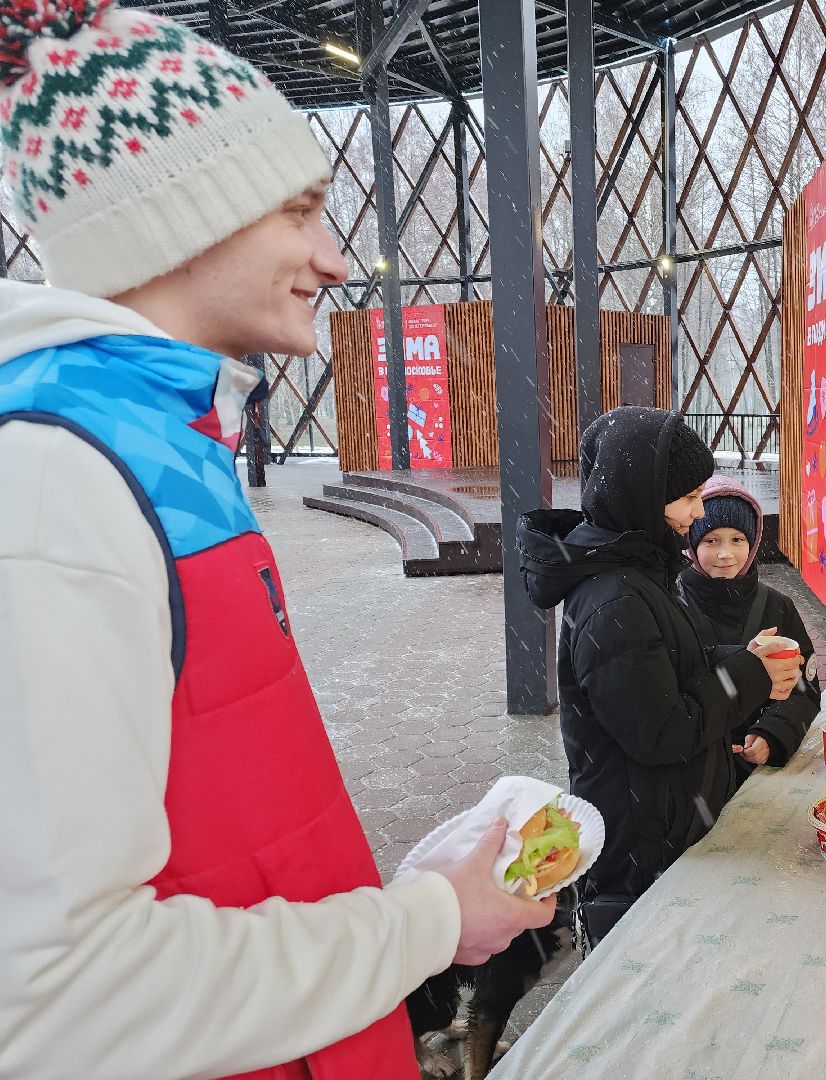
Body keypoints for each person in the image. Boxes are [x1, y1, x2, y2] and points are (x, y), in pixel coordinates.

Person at [0, 5, 554, 1077]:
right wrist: (427, 925)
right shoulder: (53, 487)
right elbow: (56, 997)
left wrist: (405, 894)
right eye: (299, 213)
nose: (335, 259)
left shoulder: (151, 445)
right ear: (180, 222)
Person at [516, 407, 803, 942]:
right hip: (642, 844)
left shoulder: (641, 570)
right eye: (690, 497)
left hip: (664, 817)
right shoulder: (616, 599)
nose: (699, 515)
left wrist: (744, 661)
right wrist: (751, 677)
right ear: (643, 495)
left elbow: (670, 667)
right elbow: (662, 730)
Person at [678, 476, 821, 778]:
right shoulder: (672, 605)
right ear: (691, 544)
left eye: (737, 539)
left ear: (753, 542)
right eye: (710, 540)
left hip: (758, 772)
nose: (725, 554)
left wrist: (773, 733)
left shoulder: (777, 607)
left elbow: (805, 690)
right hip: (692, 769)